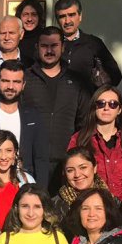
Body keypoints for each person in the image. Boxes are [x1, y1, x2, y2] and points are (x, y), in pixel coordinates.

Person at [21, 26, 90, 189]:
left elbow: (84, 123)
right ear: (37, 47)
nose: (49, 51)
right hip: (31, 163)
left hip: (66, 164)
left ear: (63, 47)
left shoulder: (77, 81)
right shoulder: (25, 79)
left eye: (54, 46)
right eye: (44, 46)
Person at [67, 86, 122, 205]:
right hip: (90, 206)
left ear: (119, 110)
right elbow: (73, 174)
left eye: (113, 104)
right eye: (101, 103)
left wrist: (120, 203)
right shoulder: (79, 139)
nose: (106, 108)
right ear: (94, 107)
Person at [0, 59, 49, 185]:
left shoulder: (34, 116)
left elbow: (41, 159)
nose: (10, 87)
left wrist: (41, 190)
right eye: (5, 81)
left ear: (23, 85)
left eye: (16, 82)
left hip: (25, 184)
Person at [54, 0, 122, 88]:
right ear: (57, 20)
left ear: (80, 16)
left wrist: (97, 90)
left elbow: (116, 75)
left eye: (71, 15)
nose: (67, 21)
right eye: (62, 16)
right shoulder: (50, 44)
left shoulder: (94, 43)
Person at [51, 146, 116, 231]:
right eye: (70, 170)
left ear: (95, 168)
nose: (77, 175)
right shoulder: (55, 206)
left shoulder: (112, 202)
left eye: (83, 167)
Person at [15, 0, 45, 64]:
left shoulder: (46, 37)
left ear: (39, 17)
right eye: (25, 14)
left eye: (34, 14)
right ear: (19, 17)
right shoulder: (13, 37)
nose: (29, 19)